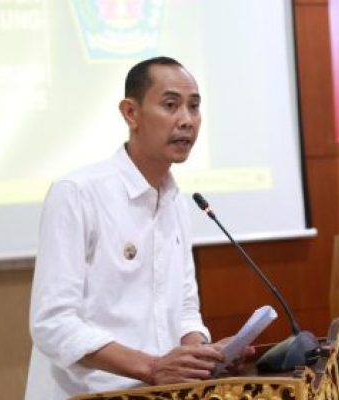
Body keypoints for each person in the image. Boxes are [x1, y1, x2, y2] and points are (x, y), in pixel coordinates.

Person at [26, 56, 235, 399]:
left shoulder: (177, 203)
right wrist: (152, 367)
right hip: (87, 393)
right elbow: (53, 323)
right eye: (171, 105)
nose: (186, 120)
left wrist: (200, 355)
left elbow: (185, 309)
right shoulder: (78, 193)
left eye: (194, 107)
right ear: (131, 113)